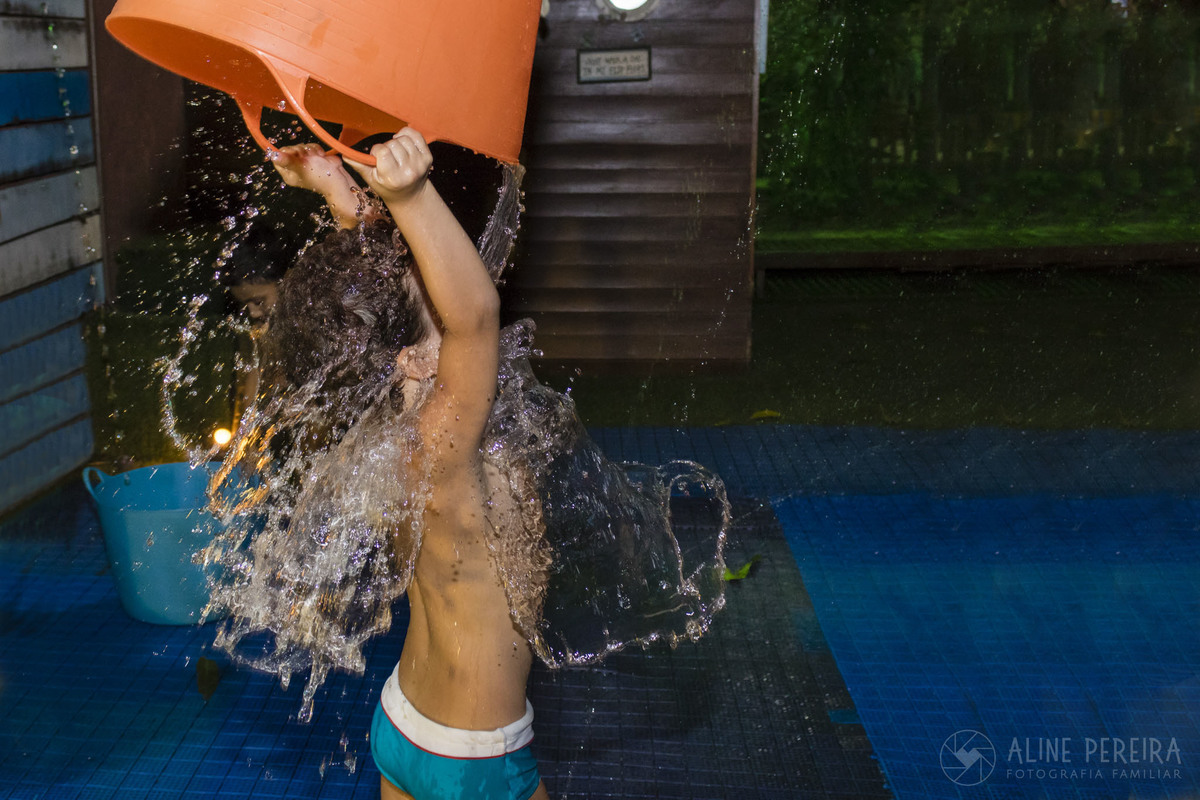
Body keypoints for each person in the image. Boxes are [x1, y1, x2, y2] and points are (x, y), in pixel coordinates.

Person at [266, 131, 550, 800]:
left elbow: (378, 304)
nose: (423, 270)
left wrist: (341, 193)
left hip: (405, 723)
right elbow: (476, 316)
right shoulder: (445, 443)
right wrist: (412, 195)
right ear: (415, 356)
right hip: (478, 758)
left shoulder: (389, 428)